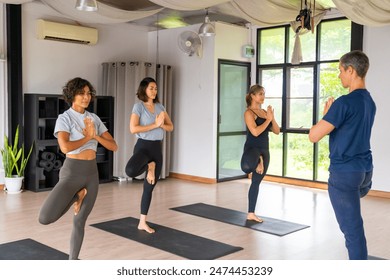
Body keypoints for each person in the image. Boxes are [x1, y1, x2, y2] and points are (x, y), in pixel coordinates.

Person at [38, 77, 118, 260]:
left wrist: (95, 136)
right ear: (71, 95)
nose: (86, 97)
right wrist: (87, 137)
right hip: (72, 172)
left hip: (91, 174)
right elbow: (65, 147)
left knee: (79, 221)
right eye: (82, 93)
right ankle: (77, 195)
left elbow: (114, 146)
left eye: (89, 93)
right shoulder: (64, 118)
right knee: (45, 218)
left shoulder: (94, 118)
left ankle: (72, 263)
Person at [309, 50, 376, 260]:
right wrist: (332, 117)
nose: (339, 76)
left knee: (353, 232)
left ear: (351, 70)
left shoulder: (343, 103)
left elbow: (313, 135)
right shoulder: (369, 101)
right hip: (365, 171)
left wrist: (327, 115)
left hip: (345, 173)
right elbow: (349, 130)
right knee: (353, 223)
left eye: (340, 71)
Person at [125, 77, 174, 233]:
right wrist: (155, 125)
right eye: (151, 88)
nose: (154, 91)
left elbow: (170, 127)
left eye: (156, 88)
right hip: (143, 148)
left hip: (156, 149)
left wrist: (162, 125)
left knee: (149, 188)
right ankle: (149, 165)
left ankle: (142, 222)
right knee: (130, 171)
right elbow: (133, 129)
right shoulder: (138, 107)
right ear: (144, 89)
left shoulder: (160, 107)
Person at [240, 85, 280, 223]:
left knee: (256, 182)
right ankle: (258, 160)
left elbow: (276, 131)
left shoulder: (264, 112)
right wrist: (267, 120)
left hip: (264, 150)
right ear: (252, 95)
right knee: (249, 172)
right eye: (260, 94)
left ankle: (251, 213)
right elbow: (255, 132)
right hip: (253, 149)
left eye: (264, 94)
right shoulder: (249, 113)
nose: (263, 97)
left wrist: (271, 118)